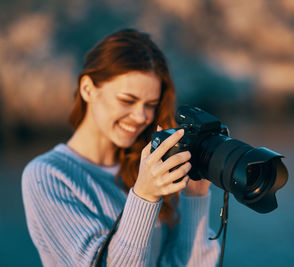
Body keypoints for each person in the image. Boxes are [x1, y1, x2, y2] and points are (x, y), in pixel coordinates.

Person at [22, 28, 220, 267]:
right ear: (87, 89)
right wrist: (145, 197)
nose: (141, 116)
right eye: (127, 100)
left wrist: (195, 195)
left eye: (151, 104)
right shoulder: (47, 175)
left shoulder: (148, 169)